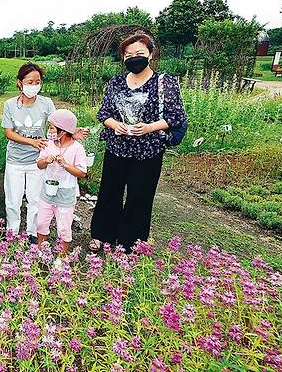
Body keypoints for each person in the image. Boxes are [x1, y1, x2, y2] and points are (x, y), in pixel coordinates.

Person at [90, 32, 187, 253]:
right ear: (123, 57)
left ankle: (130, 242)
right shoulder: (116, 82)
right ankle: (102, 235)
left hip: (148, 150)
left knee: (140, 197)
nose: (134, 58)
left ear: (150, 54)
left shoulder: (164, 83)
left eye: (140, 53)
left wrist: (149, 127)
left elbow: (176, 116)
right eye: (129, 54)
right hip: (117, 147)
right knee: (108, 192)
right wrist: (114, 124)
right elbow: (104, 112)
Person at [1, 62, 55, 243]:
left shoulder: (46, 103)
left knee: (35, 200)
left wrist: (56, 130)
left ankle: (33, 233)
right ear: (20, 83)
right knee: (13, 200)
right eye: (30, 82)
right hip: (15, 160)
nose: (34, 86)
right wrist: (32, 141)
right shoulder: (10, 105)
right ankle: (12, 233)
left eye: (37, 82)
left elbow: (55, 124)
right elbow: (9, 133)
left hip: (37, 161)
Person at [36, 110, 87, 252]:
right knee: (41, 223)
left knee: (63, 228)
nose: (49, 130)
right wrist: (46, 160)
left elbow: (82, 173)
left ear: (63, 131)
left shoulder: (77, 149)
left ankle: (62, 256)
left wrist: (65, 164)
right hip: (46, 193)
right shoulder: (49, 144)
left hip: (65, 195)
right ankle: (41, 250)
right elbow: (39, 164)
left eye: (52, 127)